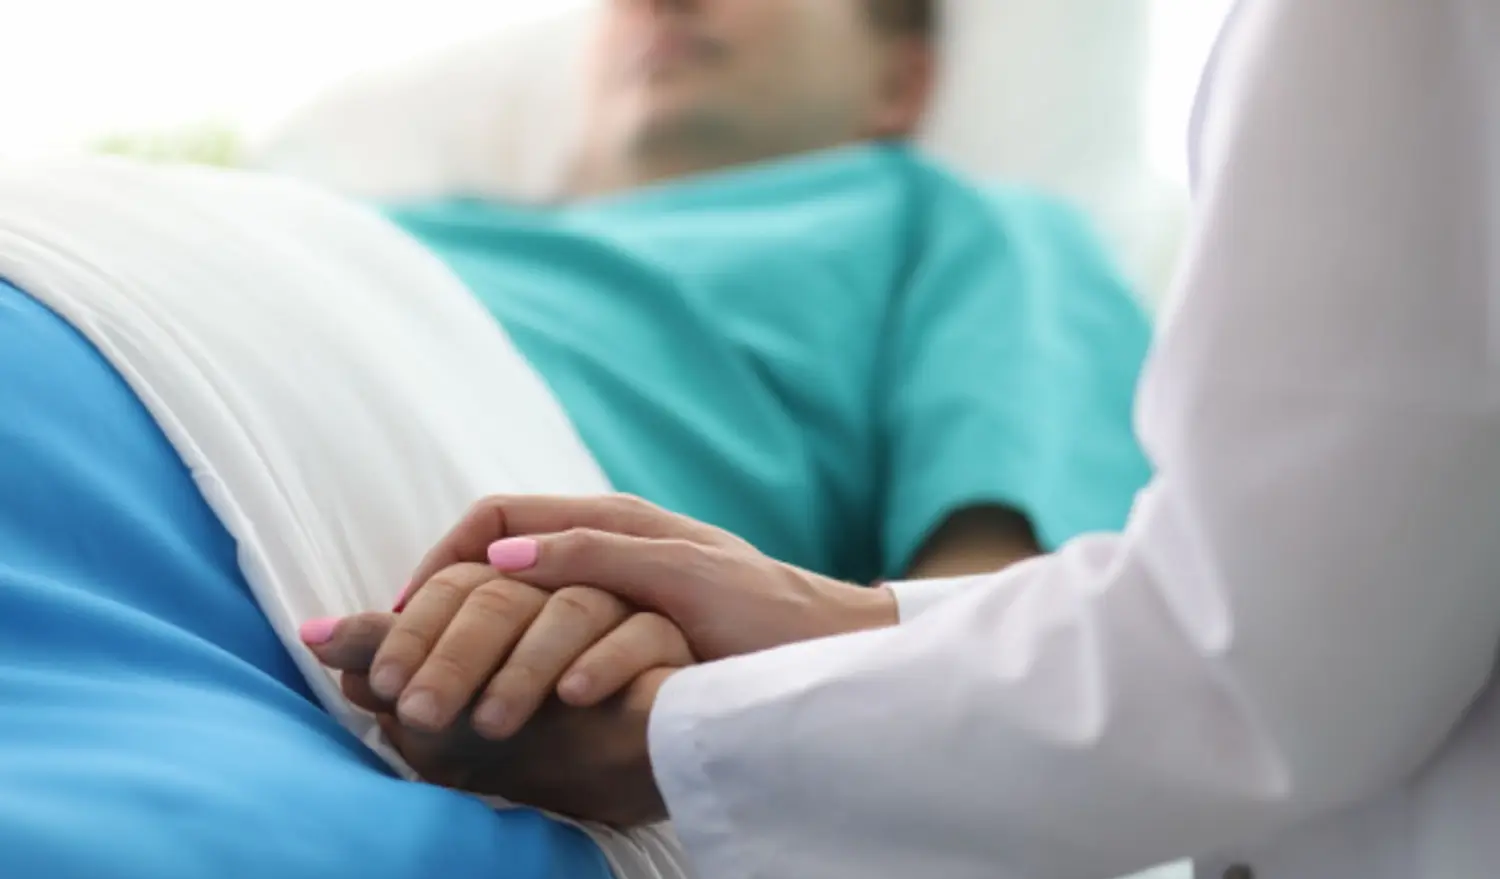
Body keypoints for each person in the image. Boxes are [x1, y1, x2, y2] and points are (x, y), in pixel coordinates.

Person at [318, 0, 1500, 879]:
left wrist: (689, 711)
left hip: (416, 555)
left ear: (900, 77)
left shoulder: (968, 230)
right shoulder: (373, 224)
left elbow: (1016, 613)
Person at [385, 0, 1152, 598]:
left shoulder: (968, 227)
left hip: (435, 543)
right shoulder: (417, 220)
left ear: (900, 81)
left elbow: (1002, 633)